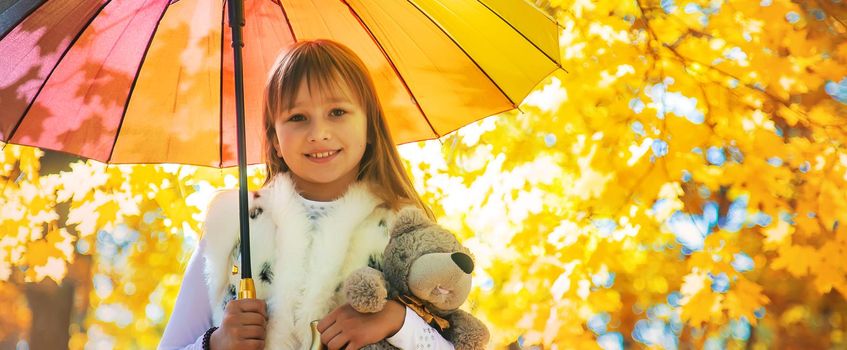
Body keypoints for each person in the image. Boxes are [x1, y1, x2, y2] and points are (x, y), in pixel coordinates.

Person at [158, 40, 458, 350]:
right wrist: (216, 343)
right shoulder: (233, 227)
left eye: (337, 112)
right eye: (298, 118)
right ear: (274, 138)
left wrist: (397, 322)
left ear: (369, 126)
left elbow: (455, 337)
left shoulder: (405, 233)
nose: (319, 133)